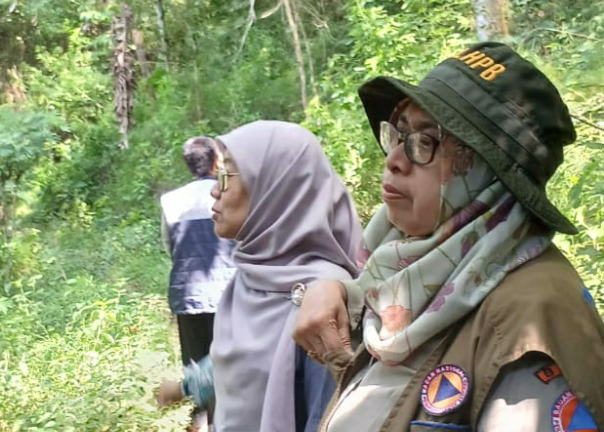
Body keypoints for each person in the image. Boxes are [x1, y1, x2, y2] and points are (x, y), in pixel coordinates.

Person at [293, 42, 604, 431]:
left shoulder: (530, 316)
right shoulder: (410, 275)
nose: (394, 160)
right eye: (399, 134)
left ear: (486, 174)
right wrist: (336, 290)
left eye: (425, 142)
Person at [208, 120, 363, 432]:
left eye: (226, 176)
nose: (214, 190)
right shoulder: (249, 279)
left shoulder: (324, 300)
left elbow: (327, 421)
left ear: (275, 188)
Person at [158, 137, 236, 430]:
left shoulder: (171, 201)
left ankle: (203, 421)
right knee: (229, 365)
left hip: (188, 294)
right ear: (216, 161)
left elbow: (170, 246)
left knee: (196, 365)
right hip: (229, 294)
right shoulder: (227, 192)